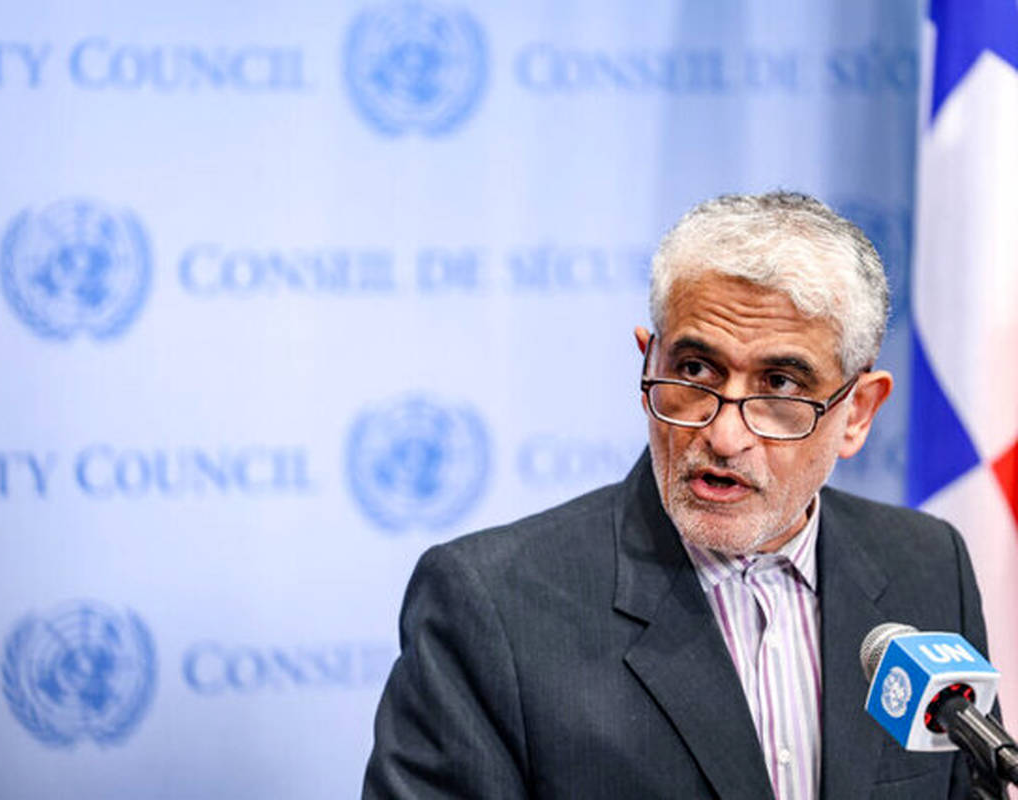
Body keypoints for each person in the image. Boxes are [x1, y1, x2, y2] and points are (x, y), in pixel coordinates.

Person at [362, 192, 991, 799]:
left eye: (779, 384)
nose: (724, 436)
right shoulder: (490, 604)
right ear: (648, 365)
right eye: (694, 370)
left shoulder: (928, 565)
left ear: (857, 412)